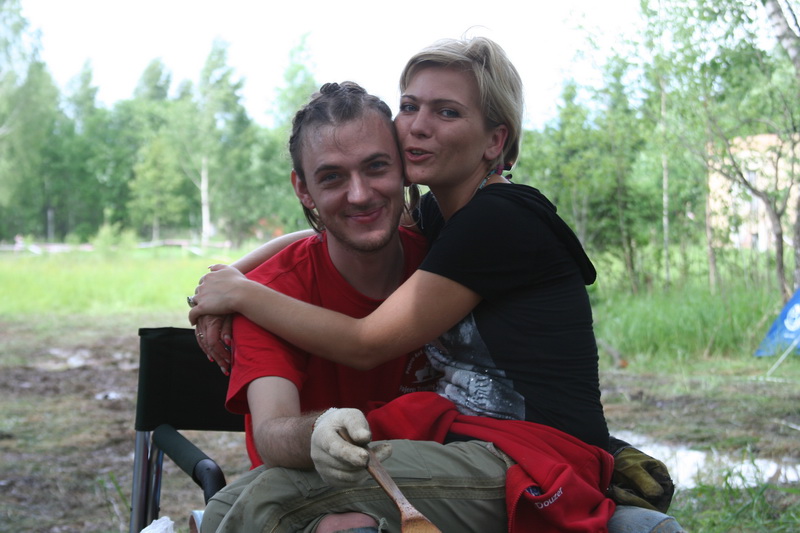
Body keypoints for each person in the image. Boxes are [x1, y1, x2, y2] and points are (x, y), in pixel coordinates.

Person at [190, 38, 682, 533]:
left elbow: (365, 342)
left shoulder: (497, 219)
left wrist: (242, 293)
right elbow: (342, 226)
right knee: (240, 498)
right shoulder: (441, 215)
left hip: (538, 457)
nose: (419, 126)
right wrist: (229, 277)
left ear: (494, 142)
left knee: (270, 498)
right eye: (409, 107)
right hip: (471, 445)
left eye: (447, 112)